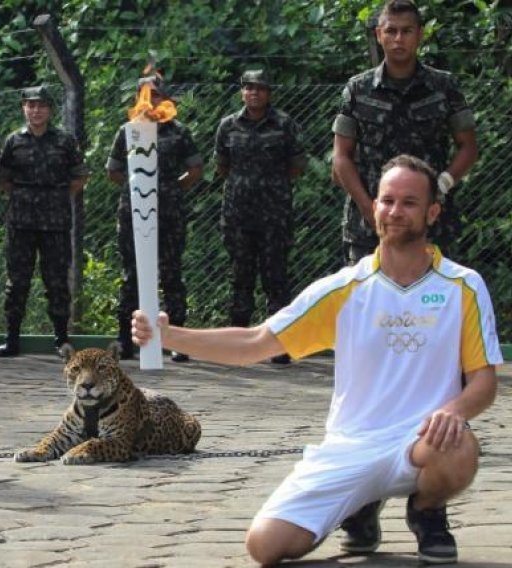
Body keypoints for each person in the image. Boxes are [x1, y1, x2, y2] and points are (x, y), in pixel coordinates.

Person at [132, 155, 501, 565]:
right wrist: (168, 335)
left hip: (421, 444)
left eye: (409, 203)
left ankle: (427, 511)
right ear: (374, 207)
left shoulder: (462, 286)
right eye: (387, 200)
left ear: (432, 212)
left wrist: (454, 411)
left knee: (459, 446)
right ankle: (358, 506)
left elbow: (484, 382)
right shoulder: (344, 288)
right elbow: (255, 342)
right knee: (265, 547)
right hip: (350, 446)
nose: (395, 211)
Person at [332, 0, 478, 264]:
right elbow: (341, 156)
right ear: (379, 34)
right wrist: (369, 207)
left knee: (433, 301)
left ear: (420, 35)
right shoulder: (357, 89)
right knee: (366, 301)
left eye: (407, 31)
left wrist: (442, 183)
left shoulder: (444, 87)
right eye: (391, 31)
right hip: (368, 228)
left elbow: (468, 146)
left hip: (431, 222)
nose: (398, 39)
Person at [106, 74, 202, 362]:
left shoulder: (178, 131)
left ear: (165, 98)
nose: (151, 99)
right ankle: (126, 340)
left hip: (169, 213)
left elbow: (195, 171)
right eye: (144, 93)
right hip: (134, 213)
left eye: (156, 94)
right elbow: (113, 171)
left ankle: (177, 341)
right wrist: (138, 190)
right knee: (132, 275)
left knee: (171, 273)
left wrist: (168, 188)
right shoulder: (129, 130)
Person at [213, 68, 306, 364]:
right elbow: (222, 166)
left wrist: (270, 188)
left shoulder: (284, 125)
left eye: (260, 88)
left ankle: (277, 346)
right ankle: (237, 346)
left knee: (276, 278)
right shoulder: (228, 126)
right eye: (248, 88)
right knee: (240, 278)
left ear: (269, 93)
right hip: (238, 215)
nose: (254, 93)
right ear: (242, 92)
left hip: (274, 214)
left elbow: (296, 165)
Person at [0, 86, 89, 357]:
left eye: (42, 106)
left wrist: (55, 197)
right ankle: (12, 339)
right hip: (21, 222)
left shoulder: (64, 141)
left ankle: (61, 339)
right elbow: (3, 179)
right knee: (17, 281)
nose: (36, 110)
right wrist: (26, 197)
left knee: (57, 281)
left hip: (55, 222)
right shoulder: (14, 141)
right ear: (24, 108)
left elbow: (80, 176)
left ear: (50, 110)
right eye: (31, 105)